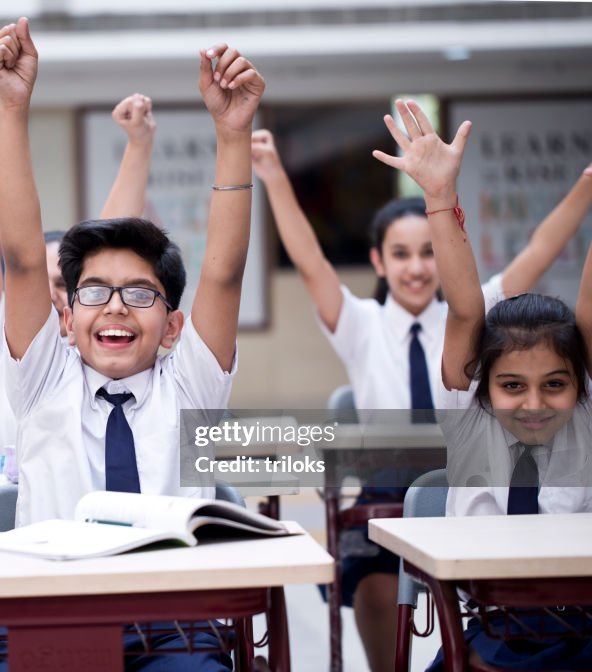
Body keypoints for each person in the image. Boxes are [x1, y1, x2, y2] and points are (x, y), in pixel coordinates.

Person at [251, 122, 592, 671]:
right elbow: (313, 262)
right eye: (401, 254)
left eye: (554, 384)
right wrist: (272, 174)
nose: (416, 266)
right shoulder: (373, 326)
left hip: (557, 602)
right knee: (377, 579)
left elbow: (537, 260)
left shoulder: (495, 326)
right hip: (397, 493)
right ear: (379, 262)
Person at [0, 16, 262, 671]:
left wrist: (233, 133)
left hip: (175, 628)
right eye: (94, 292)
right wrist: (13, 106)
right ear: (66, 315)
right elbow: (23, 259)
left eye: (139, 293)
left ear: (172, 326)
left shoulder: (190, 386)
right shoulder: (44, 378)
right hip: (52, 611)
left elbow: (224, 269)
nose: (114, 307)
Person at [374, 97, 592, 671]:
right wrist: (440, 198)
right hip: (485, 638)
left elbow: (589, 308)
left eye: (555, 385)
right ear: (483, 388)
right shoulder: (469, 420)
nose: (535, 404)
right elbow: (467, 310)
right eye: (513, 386)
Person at [0, 91, 156, 465]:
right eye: (46, 284)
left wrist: (139, 144)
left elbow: (112, 240)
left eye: (68, 285)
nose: (58, 297)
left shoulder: (105, 347)